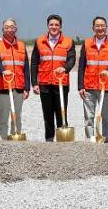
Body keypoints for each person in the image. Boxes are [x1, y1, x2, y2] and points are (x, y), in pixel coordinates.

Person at [30, 14, 76, 142]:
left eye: (56, 25)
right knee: (47, 114)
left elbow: (72, 59)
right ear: (48, 26)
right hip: (44, 83)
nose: (54, 27)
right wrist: (35, 83)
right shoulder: (39, 41)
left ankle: (63, 139)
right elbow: (34, 63)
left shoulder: (68, 42)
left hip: (61, 83)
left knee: (62, 112)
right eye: (51, 25)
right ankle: (49, 139)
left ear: (60, 26)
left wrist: (65, 68)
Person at [77, 16, 108, 143]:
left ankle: (106, 140)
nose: (100, 28)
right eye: (97, 26)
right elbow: (81, 66)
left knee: (105, 116)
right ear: (93, 28)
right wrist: (80, 86)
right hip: (89, 86)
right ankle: (90, 139)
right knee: (89, 116)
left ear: (106, 27)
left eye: (102, 26)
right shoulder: (86, 44)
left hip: (106, 87)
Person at [0, 18, 30, 140]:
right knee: (4, 115)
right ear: (2, 30)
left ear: (16, 29)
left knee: (17, 115)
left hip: (19, 85)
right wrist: (3, 71)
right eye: (6, 27)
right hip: (4, 86)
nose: (9, 29)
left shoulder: (22, 46)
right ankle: (3, 138)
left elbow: (26, 68)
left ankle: (15, 136)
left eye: (12, 27)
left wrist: (27, 88)